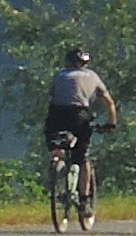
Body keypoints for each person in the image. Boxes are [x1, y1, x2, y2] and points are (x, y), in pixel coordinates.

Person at [44, 46, 115, 189]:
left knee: (56, 141)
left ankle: (56, 160)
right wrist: (111, 123)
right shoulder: (92, 76)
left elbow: (51, 96)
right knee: (82, 159)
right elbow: (109, 102)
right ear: (84, 63)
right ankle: (84, 202)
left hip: (56, 115)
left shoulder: (58, 75)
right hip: (79, 115)